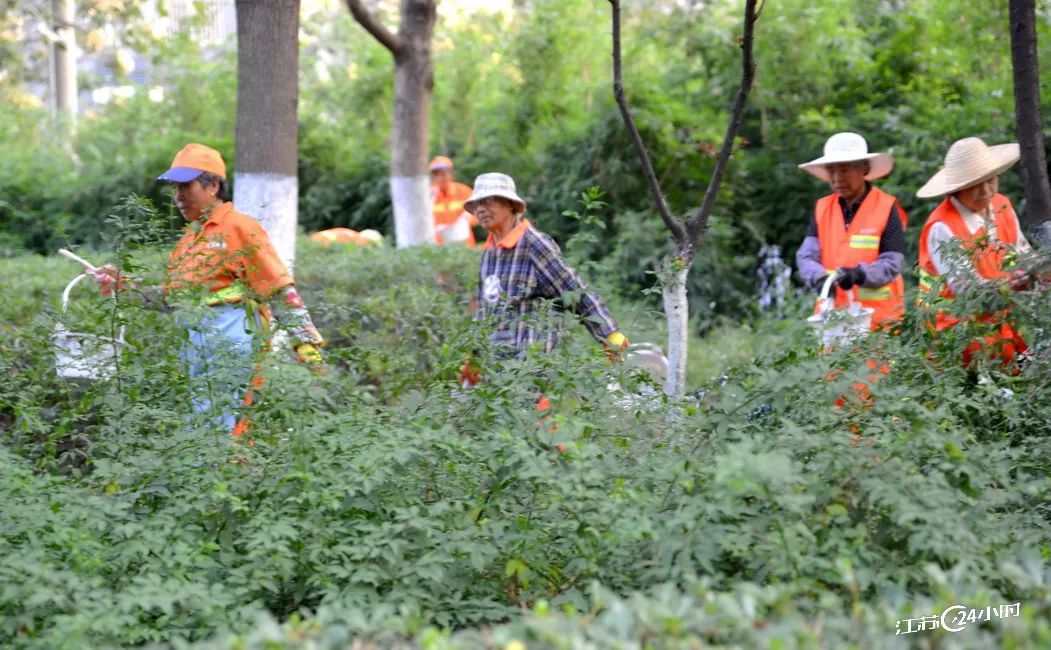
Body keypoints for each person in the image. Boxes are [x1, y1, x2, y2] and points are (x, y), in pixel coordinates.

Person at [90, 143, 324, 434]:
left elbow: (277, 287)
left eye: (185, 187)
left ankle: (229, 474)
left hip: (235, 341)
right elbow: (172, 298)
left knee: (226, 424)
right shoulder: (189, 239)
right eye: (175, 189)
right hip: (196, 345)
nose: (178, 197)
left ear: (213, 186)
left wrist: (306, 343)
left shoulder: (240, 228)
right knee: (205, 424)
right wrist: (122, 285)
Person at [464, 172, 627, 365]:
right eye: (476, 204)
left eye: (488, 200)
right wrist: (474, 359)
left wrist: (610, 335)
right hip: (498, 370)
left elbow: (573, 290)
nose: (480, 209)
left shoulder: (534, 244)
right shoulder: (489, 252)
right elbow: (485, 310)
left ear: (510, 204)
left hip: (531, 368)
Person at [916, 136, 1031, 368]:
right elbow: (969, 292)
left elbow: (1023, 253)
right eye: (974, 185)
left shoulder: (1002, 205)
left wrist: (1038, 270)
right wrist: (1014, 285)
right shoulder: (943, 226)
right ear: (957, 189)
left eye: (990, 180)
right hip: (955, 335)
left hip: (999, 326)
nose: (986, 190)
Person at [795, 132, 908, 329]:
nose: (837, 178)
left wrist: (860, 275)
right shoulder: (822, 208)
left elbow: (892, 262)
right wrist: (818, 277)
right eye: (831, 171)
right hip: (833, 319)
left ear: (864, 169)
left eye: (845, 170)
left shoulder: (886, 207)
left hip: (878, 322)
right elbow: (806, 256)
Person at [430, 156, 478, 245]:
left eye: (443, 174)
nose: (439, 178)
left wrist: (468, 219)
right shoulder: (429, 196)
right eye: (436, 175)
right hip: (440, 248)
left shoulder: (464, 191)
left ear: (451, 174)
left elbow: (478, 214)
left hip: (465, 245)